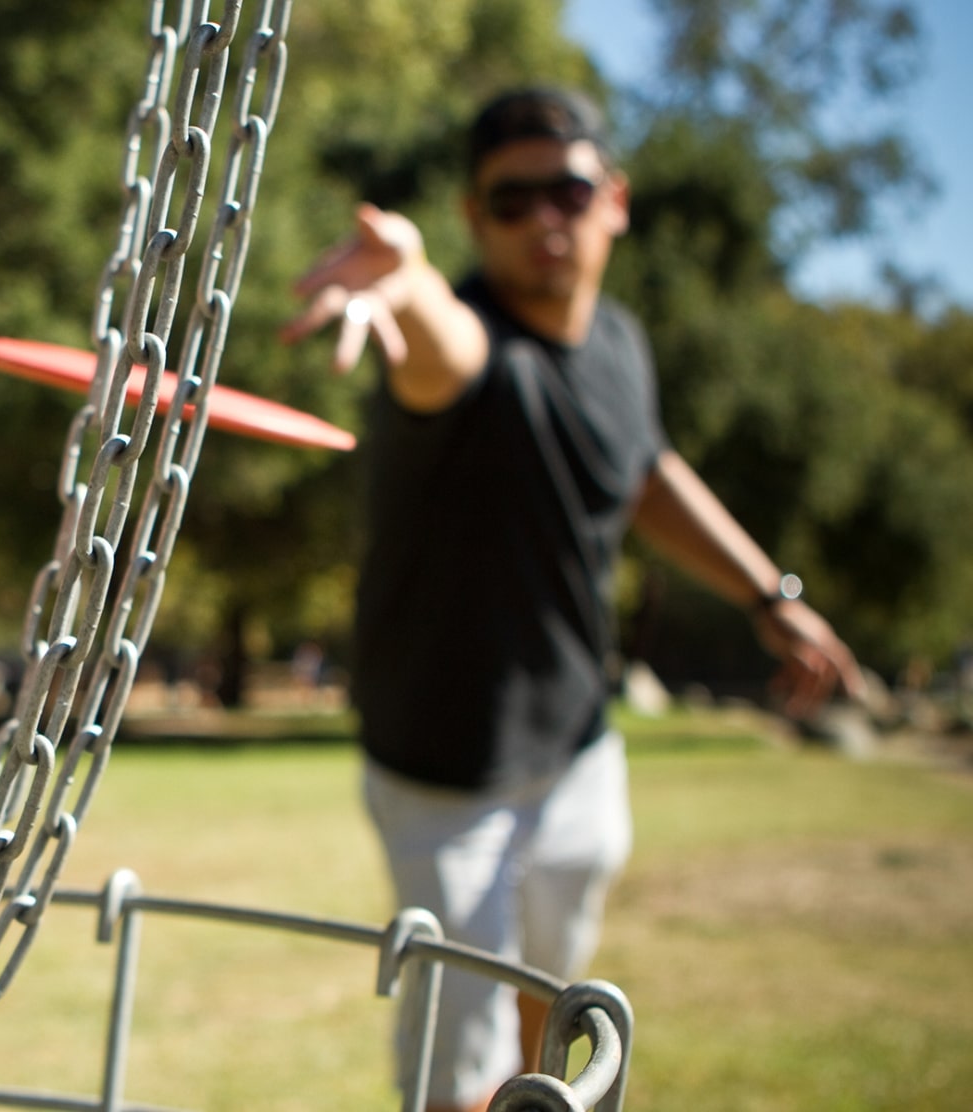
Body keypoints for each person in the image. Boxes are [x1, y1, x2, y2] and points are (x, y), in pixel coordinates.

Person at [280, 88, 864, 1112]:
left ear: (616, 200)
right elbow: (438, 348)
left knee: (550, 1019)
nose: (547, 217)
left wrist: (770, 592)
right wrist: (407, 284)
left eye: (569, 189)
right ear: (475, 216)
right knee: (456, 1064)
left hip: (578, 748)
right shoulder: (469, 346)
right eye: (513, 200)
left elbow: (641, 472)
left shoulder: (620, 348)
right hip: (443, 769)